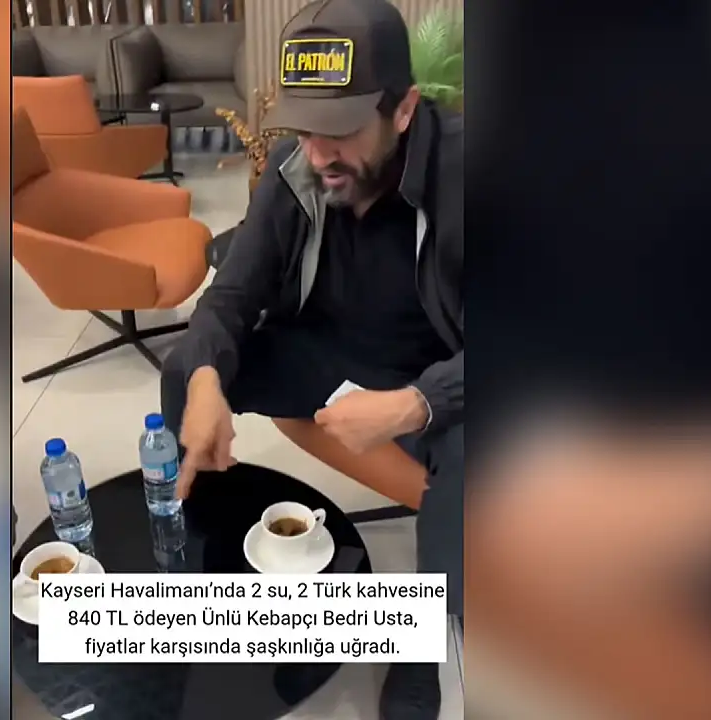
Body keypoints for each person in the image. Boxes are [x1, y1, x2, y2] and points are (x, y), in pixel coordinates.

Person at [160, 1, 462, 717]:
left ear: (404, 110)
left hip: (437, 377)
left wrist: (416, 404)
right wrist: (204, 381)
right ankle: (227, 549)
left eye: (342, 130)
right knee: (189, 370)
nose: (319, 154)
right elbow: (231, 297)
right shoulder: (299, 168)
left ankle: (422, 640)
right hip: (326, 351)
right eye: (305, 128)